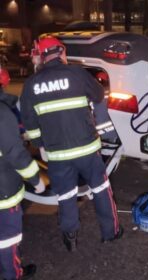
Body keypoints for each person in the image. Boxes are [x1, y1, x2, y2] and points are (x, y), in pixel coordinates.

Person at [20, 36, 122, 252]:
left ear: (42, 56)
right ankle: (110, 233)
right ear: (62, 52)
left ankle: (71, 237)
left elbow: (29, 122)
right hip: (87, 150)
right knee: (101, 189)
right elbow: (97, 96)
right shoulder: (77, 74)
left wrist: (40, 146)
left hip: (57, 155)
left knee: (66, 195)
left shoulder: (31, 84)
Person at [0, 68, 45, 280]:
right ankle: (13, 274)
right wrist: (37, 180)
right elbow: (16, 155)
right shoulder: (2, 113)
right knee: (8, 237)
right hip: (4, 191)